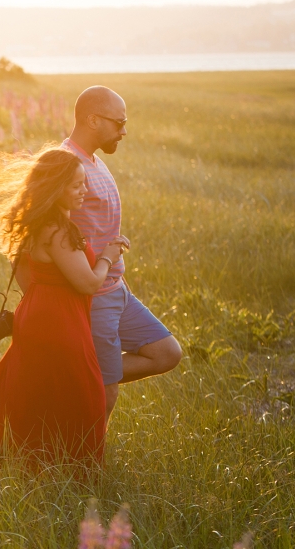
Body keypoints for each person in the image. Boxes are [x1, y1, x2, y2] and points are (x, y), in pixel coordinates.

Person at [0, 147, 126, 462]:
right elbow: (89, 282)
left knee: (36, 393)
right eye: (76, 185)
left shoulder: (33, 225)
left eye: (84, 183)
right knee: (85, 394)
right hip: (61, 322)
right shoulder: (58, 230)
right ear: (56, 188)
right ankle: (75, 469)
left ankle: (29, 461)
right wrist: (108, 257)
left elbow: (25, 276)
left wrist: (44, 298)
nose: (84, 191)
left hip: (36, 315)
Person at [62, 85, 182, 425]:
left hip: (117, 290)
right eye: (119, 122)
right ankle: (86, 468)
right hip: (95, 295)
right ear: (93, 119)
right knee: (107, 394)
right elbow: (50, 233)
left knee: (166, 353)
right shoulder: (67, 165)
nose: (124, 131)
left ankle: (86, 374)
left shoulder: (94, 161)